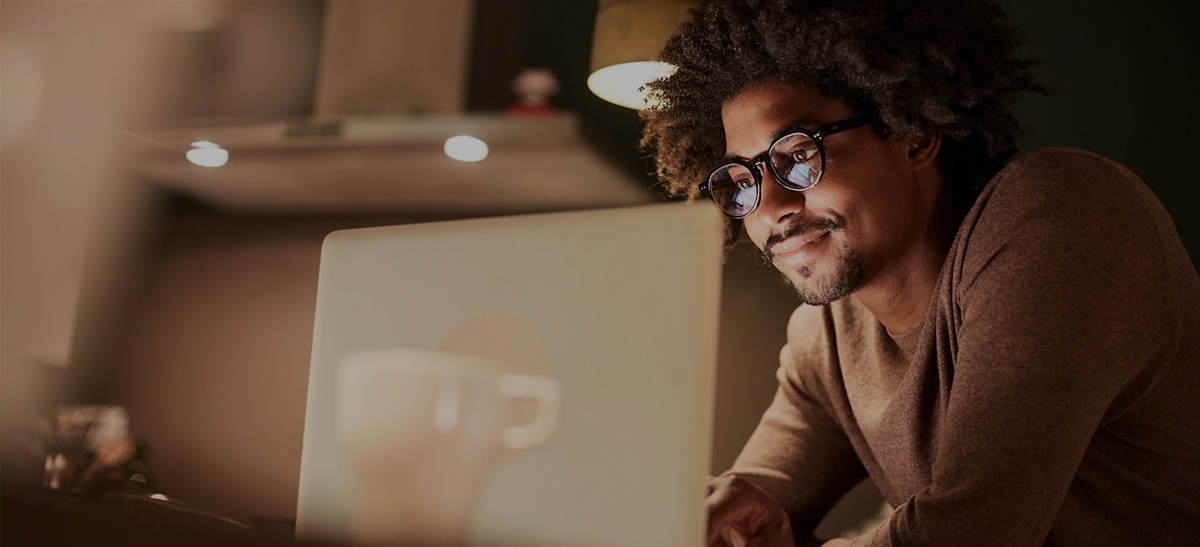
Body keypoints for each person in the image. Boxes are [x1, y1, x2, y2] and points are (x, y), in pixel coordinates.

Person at [638, 0, 1200, 545]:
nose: (770, 206)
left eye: (799, 154)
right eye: (743, 179)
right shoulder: (830, 338)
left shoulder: (1065, 212)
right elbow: (738, 520)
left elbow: (974, 531)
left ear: (914, 135)